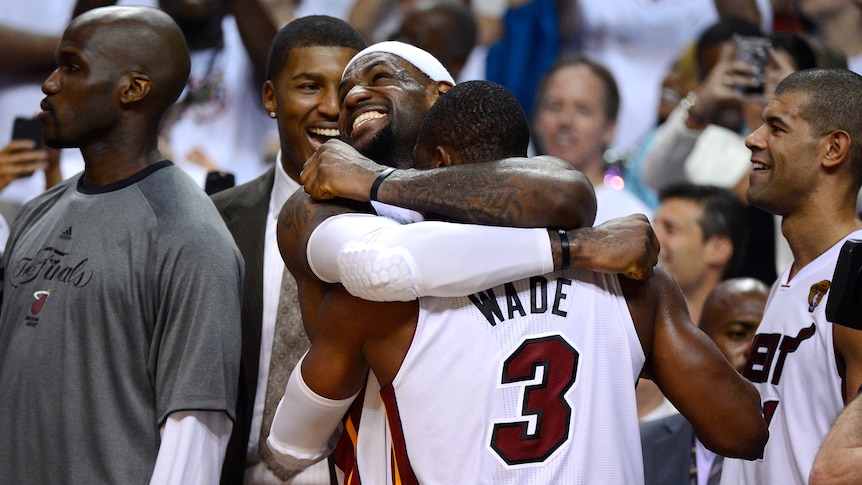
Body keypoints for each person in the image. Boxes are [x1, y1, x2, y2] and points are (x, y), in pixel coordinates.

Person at [268, 77, 767, 483]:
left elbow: (290, 449)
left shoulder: (382, 302)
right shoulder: (631, 282)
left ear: (438, 168)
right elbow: (743, 431)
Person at [0, 6, 243, 483]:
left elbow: (195, 432)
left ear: (133, 89)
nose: (49, 84)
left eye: (71, 67)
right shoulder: (35, 212)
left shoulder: (190, 235)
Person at [210, 15, 366, 484]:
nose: (331, 107)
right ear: (271, 99)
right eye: (309, 87)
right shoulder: (213, 221)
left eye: (345, 90)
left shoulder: (398, 224)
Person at [720, 68, 862, 484]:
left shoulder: (856, 270)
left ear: (833, 149)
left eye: (776, 127)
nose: (753, 139)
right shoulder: (797, 274)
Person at [641, 277, 769, 485]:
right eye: (738, 334)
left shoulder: (801, 443)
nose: (754, 350)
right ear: (702, 344)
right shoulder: (641, 442)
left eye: (766, 340)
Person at [532, 55, 653, 224]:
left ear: (609, 129)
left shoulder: (631, 220)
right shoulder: (505, 207)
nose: (565, 121)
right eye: (555, 106)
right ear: (537, 119)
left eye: (583, 110)